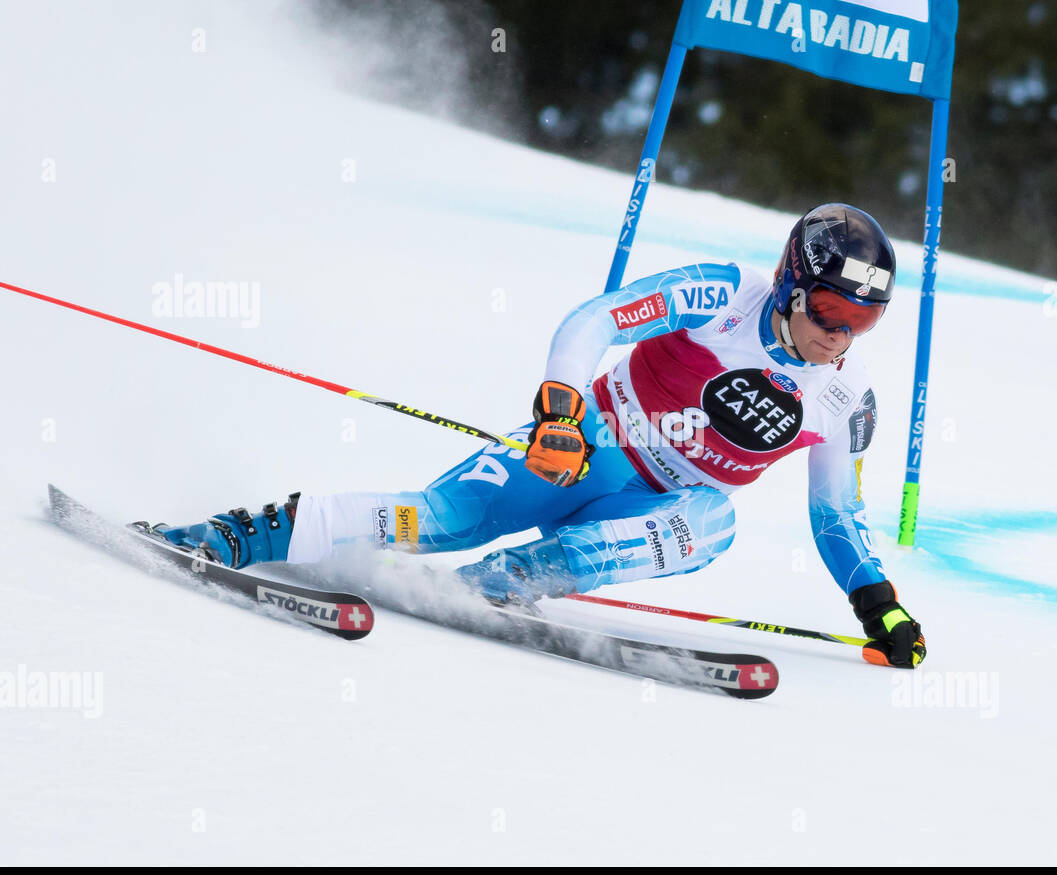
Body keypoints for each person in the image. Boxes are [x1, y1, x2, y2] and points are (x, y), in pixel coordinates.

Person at [156, 203, 926, 668]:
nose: (842, 337)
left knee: (715, 522)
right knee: (437, 521)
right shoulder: (724, 294)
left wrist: (878, 606)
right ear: (793, 283)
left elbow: (835, 519)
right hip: (585, 447)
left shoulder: (845, 400)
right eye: (832, 312)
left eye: (866, 321)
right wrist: (559, 413)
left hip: (653, 511)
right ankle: (235, 535)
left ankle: (507, 582)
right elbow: (596, 318)